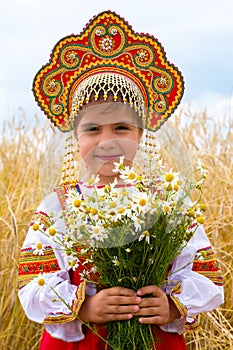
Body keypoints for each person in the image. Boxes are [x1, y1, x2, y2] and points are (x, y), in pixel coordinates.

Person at [18, 11, 224, 350]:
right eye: (93, 129)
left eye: (122, 128)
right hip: (83, 341)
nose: (107, 141)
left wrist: (170, 303)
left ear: (141, 134)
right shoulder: (57, 207)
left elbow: (206, 278)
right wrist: (84, 306)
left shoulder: (169, 202)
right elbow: (32, 286)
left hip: (153, 337)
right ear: (76, 139)